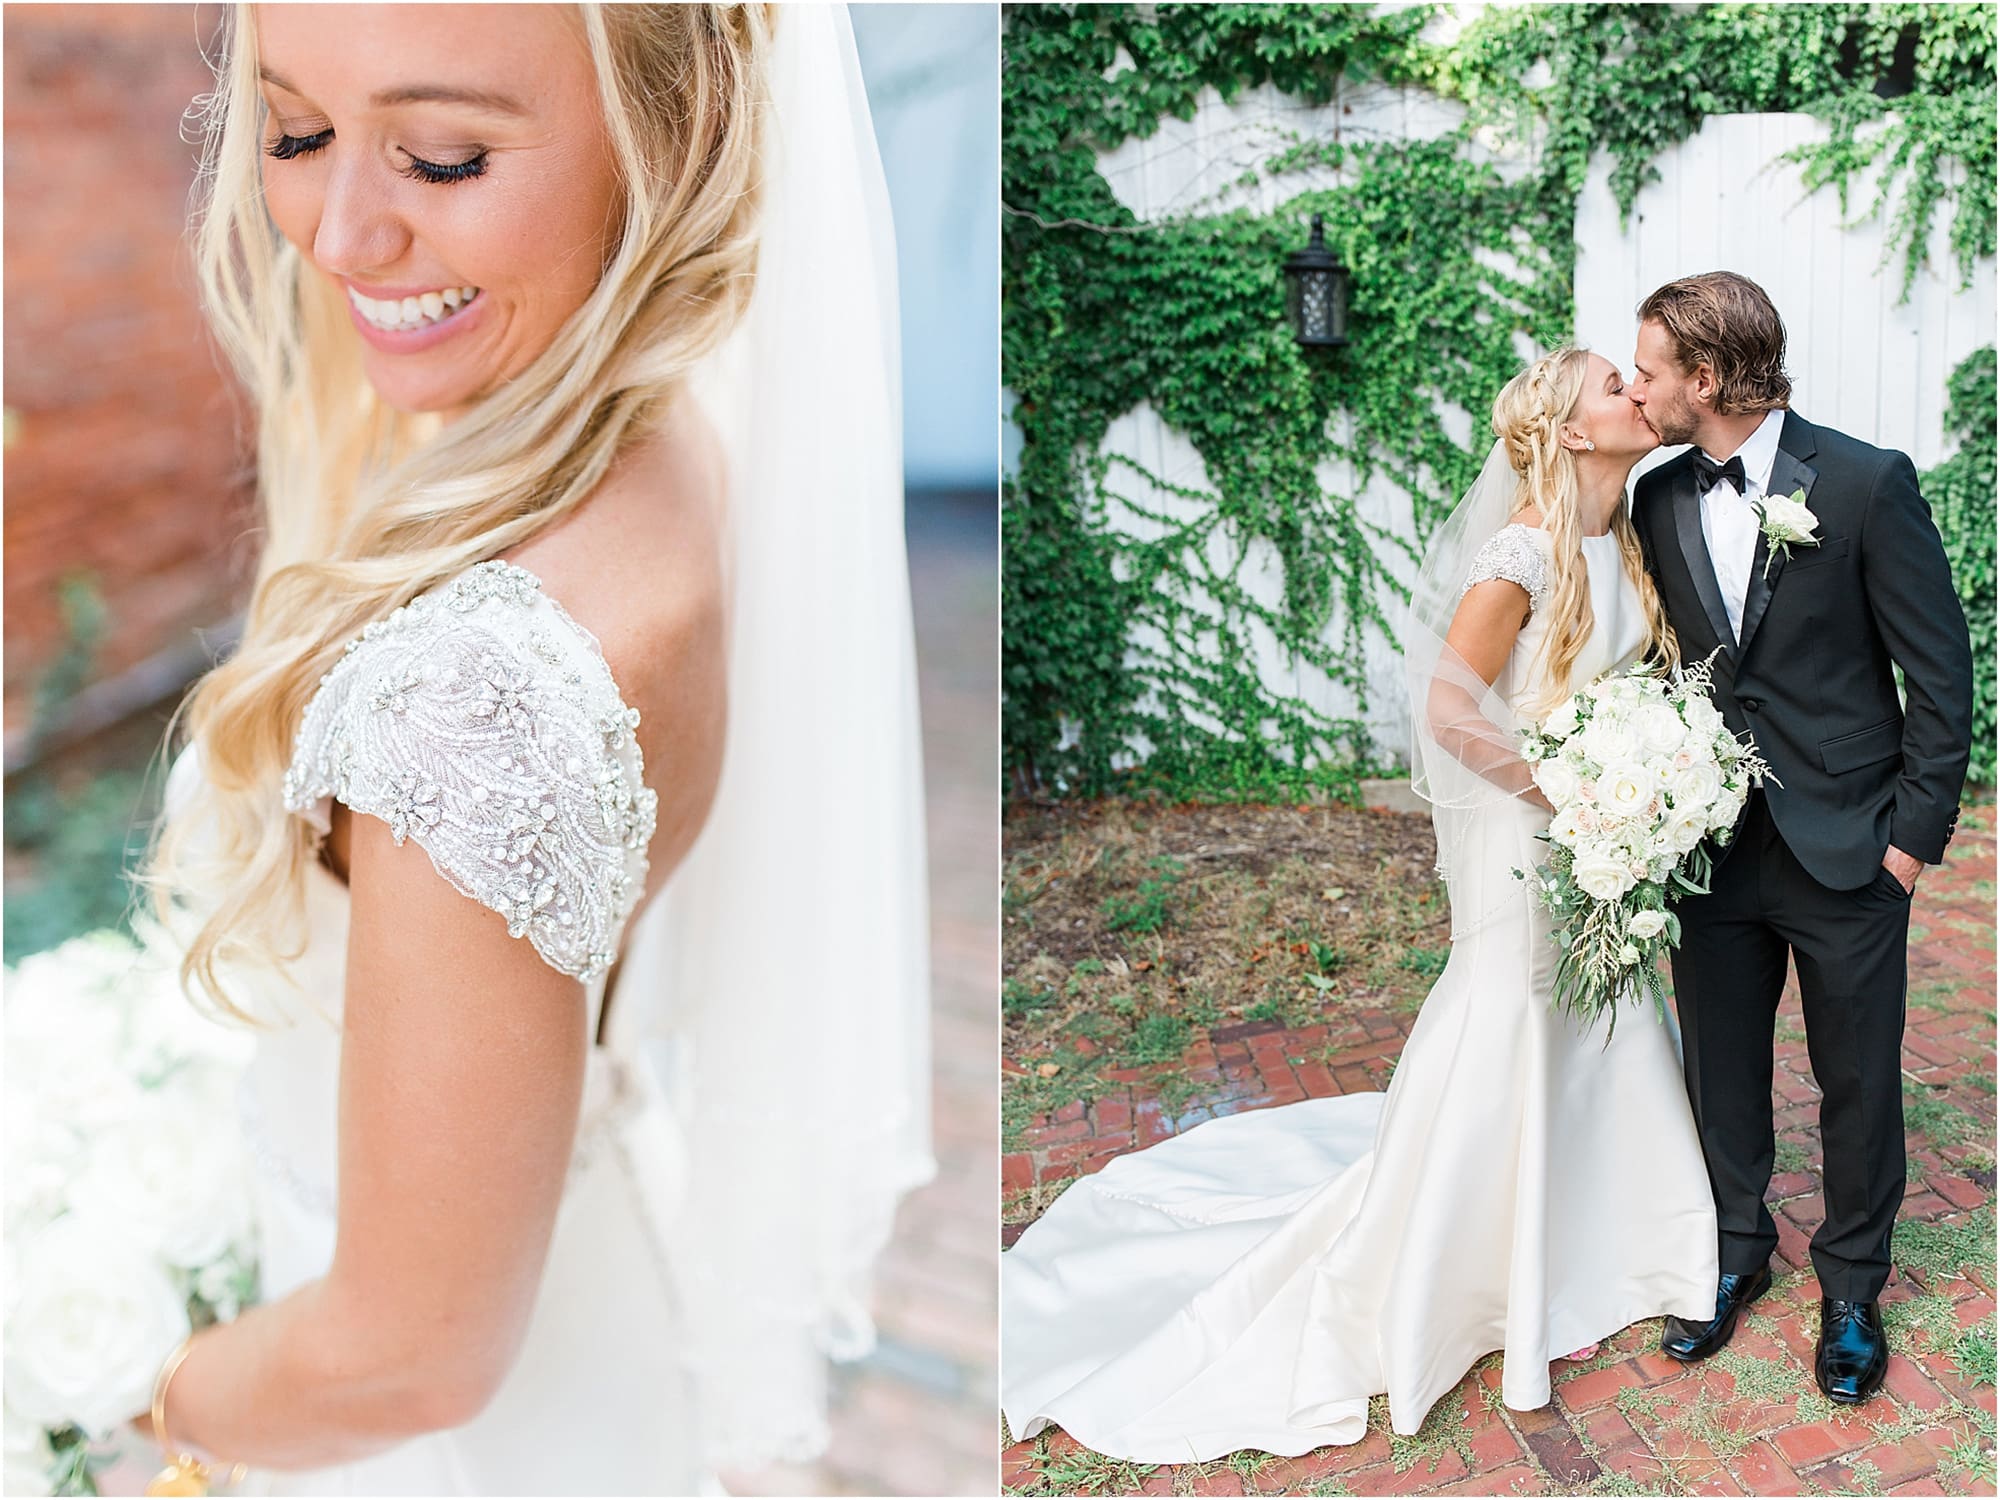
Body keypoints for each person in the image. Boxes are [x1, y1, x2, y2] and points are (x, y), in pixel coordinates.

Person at [124, 4, 933, 1493]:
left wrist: (122, 1398)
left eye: (439, 159)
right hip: (579, 1287)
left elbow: (406, 1354)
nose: (341, 231)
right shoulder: (665, 426)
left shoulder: (475, 694)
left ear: (670, 137)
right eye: (294, 132)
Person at [999, 347, 1719, 1462]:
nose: (1639, 393)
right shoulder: (1521, 550)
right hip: (1529, 834)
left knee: (1609, 1012)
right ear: (1572, 430)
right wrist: (1566, 793)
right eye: (1615, 387)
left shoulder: (1618, 536)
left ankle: (1609, 1238)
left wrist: (1639, 784)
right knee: (1516, 1013)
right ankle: (1462, 1261)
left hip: (1598, 829)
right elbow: (1446, 707)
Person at [1626, 271, 1973, 1405]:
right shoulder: (1657, 496)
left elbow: (1939, 674)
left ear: (1708, 377)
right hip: (1710, 842)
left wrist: (1907, 845)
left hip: (1848, 843)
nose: (1640, 392)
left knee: (1857, 1078)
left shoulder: (1866, 484)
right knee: (1716, 1066)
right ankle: (1735, 1252)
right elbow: (1675, 664)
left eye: (1650, 371)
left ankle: (1851, 1286)